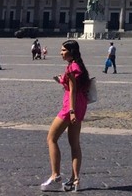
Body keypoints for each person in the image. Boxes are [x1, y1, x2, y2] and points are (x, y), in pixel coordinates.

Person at [41, 40, 90, 192]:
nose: (60, 53)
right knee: (74, 144)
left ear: (71, 51)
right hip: (80, 106)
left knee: (51, 138)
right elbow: (74, 87)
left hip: (70, 107)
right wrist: (61, 81)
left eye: (63, 50)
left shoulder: (72, 68)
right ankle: (75, 180)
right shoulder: (79, 66)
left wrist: (71, 111)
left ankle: (55, 176)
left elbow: (73, 90)